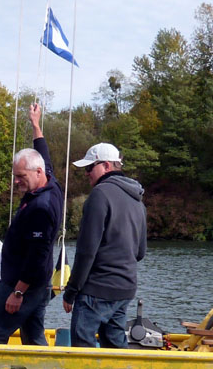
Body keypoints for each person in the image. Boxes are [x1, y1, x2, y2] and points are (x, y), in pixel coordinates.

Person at [0, 103, 63, 345]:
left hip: (23, 285)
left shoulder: (42, 207)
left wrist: (17, 292)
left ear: (37, 172)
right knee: (33, 337)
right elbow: (43, 153)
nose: (16, 182)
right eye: (15, 176)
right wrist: (35, 125)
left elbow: (37, 255)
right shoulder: (50, 181)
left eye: (21, 177)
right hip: (38, 284)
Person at [62, 142, 147, 348]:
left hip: (96, 289)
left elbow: (86, 252)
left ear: (106, 165)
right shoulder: (137, 199)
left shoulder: (100, 194)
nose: (86, 173)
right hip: (125, 288)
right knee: (115, 347)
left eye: (90, 167)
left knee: (83, 347)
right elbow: (140, 252)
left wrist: (71, 291)